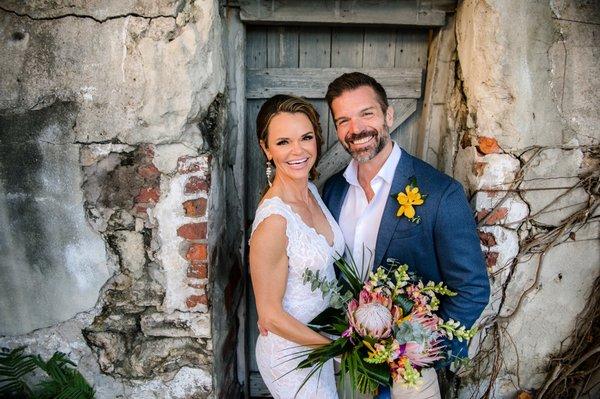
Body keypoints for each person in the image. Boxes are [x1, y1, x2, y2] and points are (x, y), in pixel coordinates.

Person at [321, 72, 490, 398]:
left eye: (366, 113)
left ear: (389, 115)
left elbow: (472, 288)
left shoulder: (440, 193)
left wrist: (425, 347)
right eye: (343, 120)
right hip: (352, 367)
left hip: (410, 374)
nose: (356, 129)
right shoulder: (334, 190)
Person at [249, 94, 344, 398]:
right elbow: (270, 316)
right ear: (266, 149)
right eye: (283, 142)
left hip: (319, 346)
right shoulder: (274, 221)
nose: (298, 151)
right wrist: (339, 348)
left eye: (306, 137)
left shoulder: (313, 191)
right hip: (290, 357)